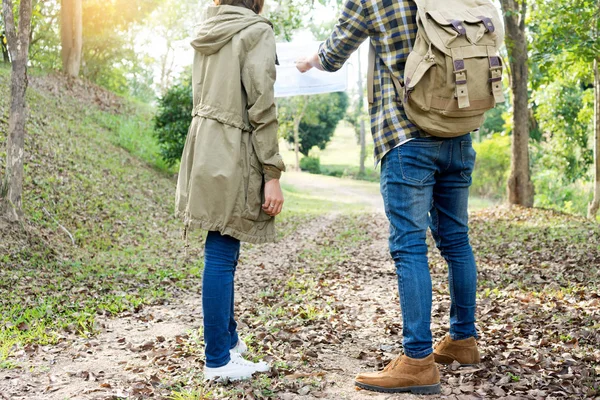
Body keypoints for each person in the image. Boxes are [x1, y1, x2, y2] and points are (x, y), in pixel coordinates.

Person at [296, 0, 480, 395]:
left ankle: (417, 361)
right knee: (456, 242)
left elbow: (333, 53)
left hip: (407, 136)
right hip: (458, 133)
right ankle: (463, 340)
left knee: (410, 246)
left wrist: (309, 61)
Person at [176, 0, 285, 382]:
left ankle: (229, 341)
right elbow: (262, 106)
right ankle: (217, 359)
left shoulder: (209, 29)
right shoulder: (256, 30)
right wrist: (272, 171)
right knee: (222, 250)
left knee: (221, 244)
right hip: (231, 149)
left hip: (203, 145)